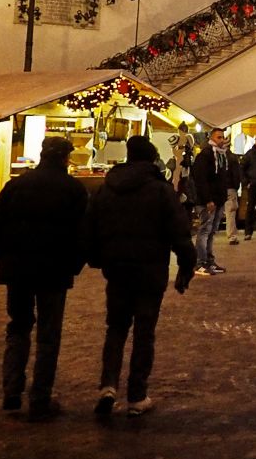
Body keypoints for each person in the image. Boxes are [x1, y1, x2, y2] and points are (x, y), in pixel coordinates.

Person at [81, 134, 196, 418]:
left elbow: (91, 226)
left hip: (117, 269)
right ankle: (136, 394)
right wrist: (185, 265)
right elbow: (179, 230)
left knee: (116, 328)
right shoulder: (159, 189)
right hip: (150, 269)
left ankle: (108, 384)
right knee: (144, 331)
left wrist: (97, 258)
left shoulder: (107, 188)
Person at [0, 135, 88, 422]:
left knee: (18, 327)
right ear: (66, 158)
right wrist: (73, 265)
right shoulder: (73, 189)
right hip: (54, 271)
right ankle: (40, 396)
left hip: (18, 269)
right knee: (48, 334)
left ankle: (12, 391)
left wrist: (3, 258)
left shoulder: (17, 185)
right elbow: (83, 235)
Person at [189, 127, 239, 274]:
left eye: (223, 137)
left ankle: (209, 261)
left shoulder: (222, 156)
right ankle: (200, 263)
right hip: (207, 201)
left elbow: (222, 179)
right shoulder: (205, 155)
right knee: (204, 231)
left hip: (218, 200)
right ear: (211, 138)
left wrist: (221, 198)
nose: (221, 140)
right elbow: (200, 180)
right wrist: (208, 200)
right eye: (218, 137)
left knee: (211, 232)